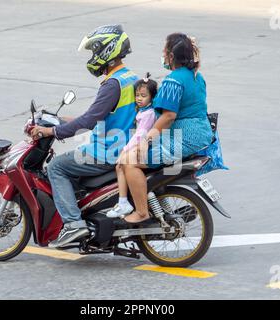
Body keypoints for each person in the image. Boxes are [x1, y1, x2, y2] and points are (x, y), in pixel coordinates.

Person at [30, 24, 138, 247]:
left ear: (107, 50)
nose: (93, 56)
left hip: (106, 152)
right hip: (124, 146)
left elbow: (89, 121)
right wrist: (61, 120)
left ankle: (73, 224)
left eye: (94, 51)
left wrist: (52, 131)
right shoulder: (130, 78)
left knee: (56, 167)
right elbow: (98, 116)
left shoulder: (112, 84)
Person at [120, 33, 214, 223]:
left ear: (171, 56)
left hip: (183, 138)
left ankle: (141, 212)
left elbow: (168, 116)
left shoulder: (173, 80)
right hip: (201, 134)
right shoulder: (196, 76)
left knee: (129, 161)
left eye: (164, 51)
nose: (163, 54)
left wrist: (146, 140)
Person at [106, 73, 158, 218]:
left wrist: (125, 149)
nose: (139, 99)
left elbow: (140, 135)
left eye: (143, 95)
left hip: (145, 145)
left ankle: (124, 202)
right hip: (142, 144)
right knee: (119, 166)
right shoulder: (143, 111)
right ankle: (123, 201)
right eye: (137, 95)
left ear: (152, 97)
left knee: (122, 163)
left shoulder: (148, 114)